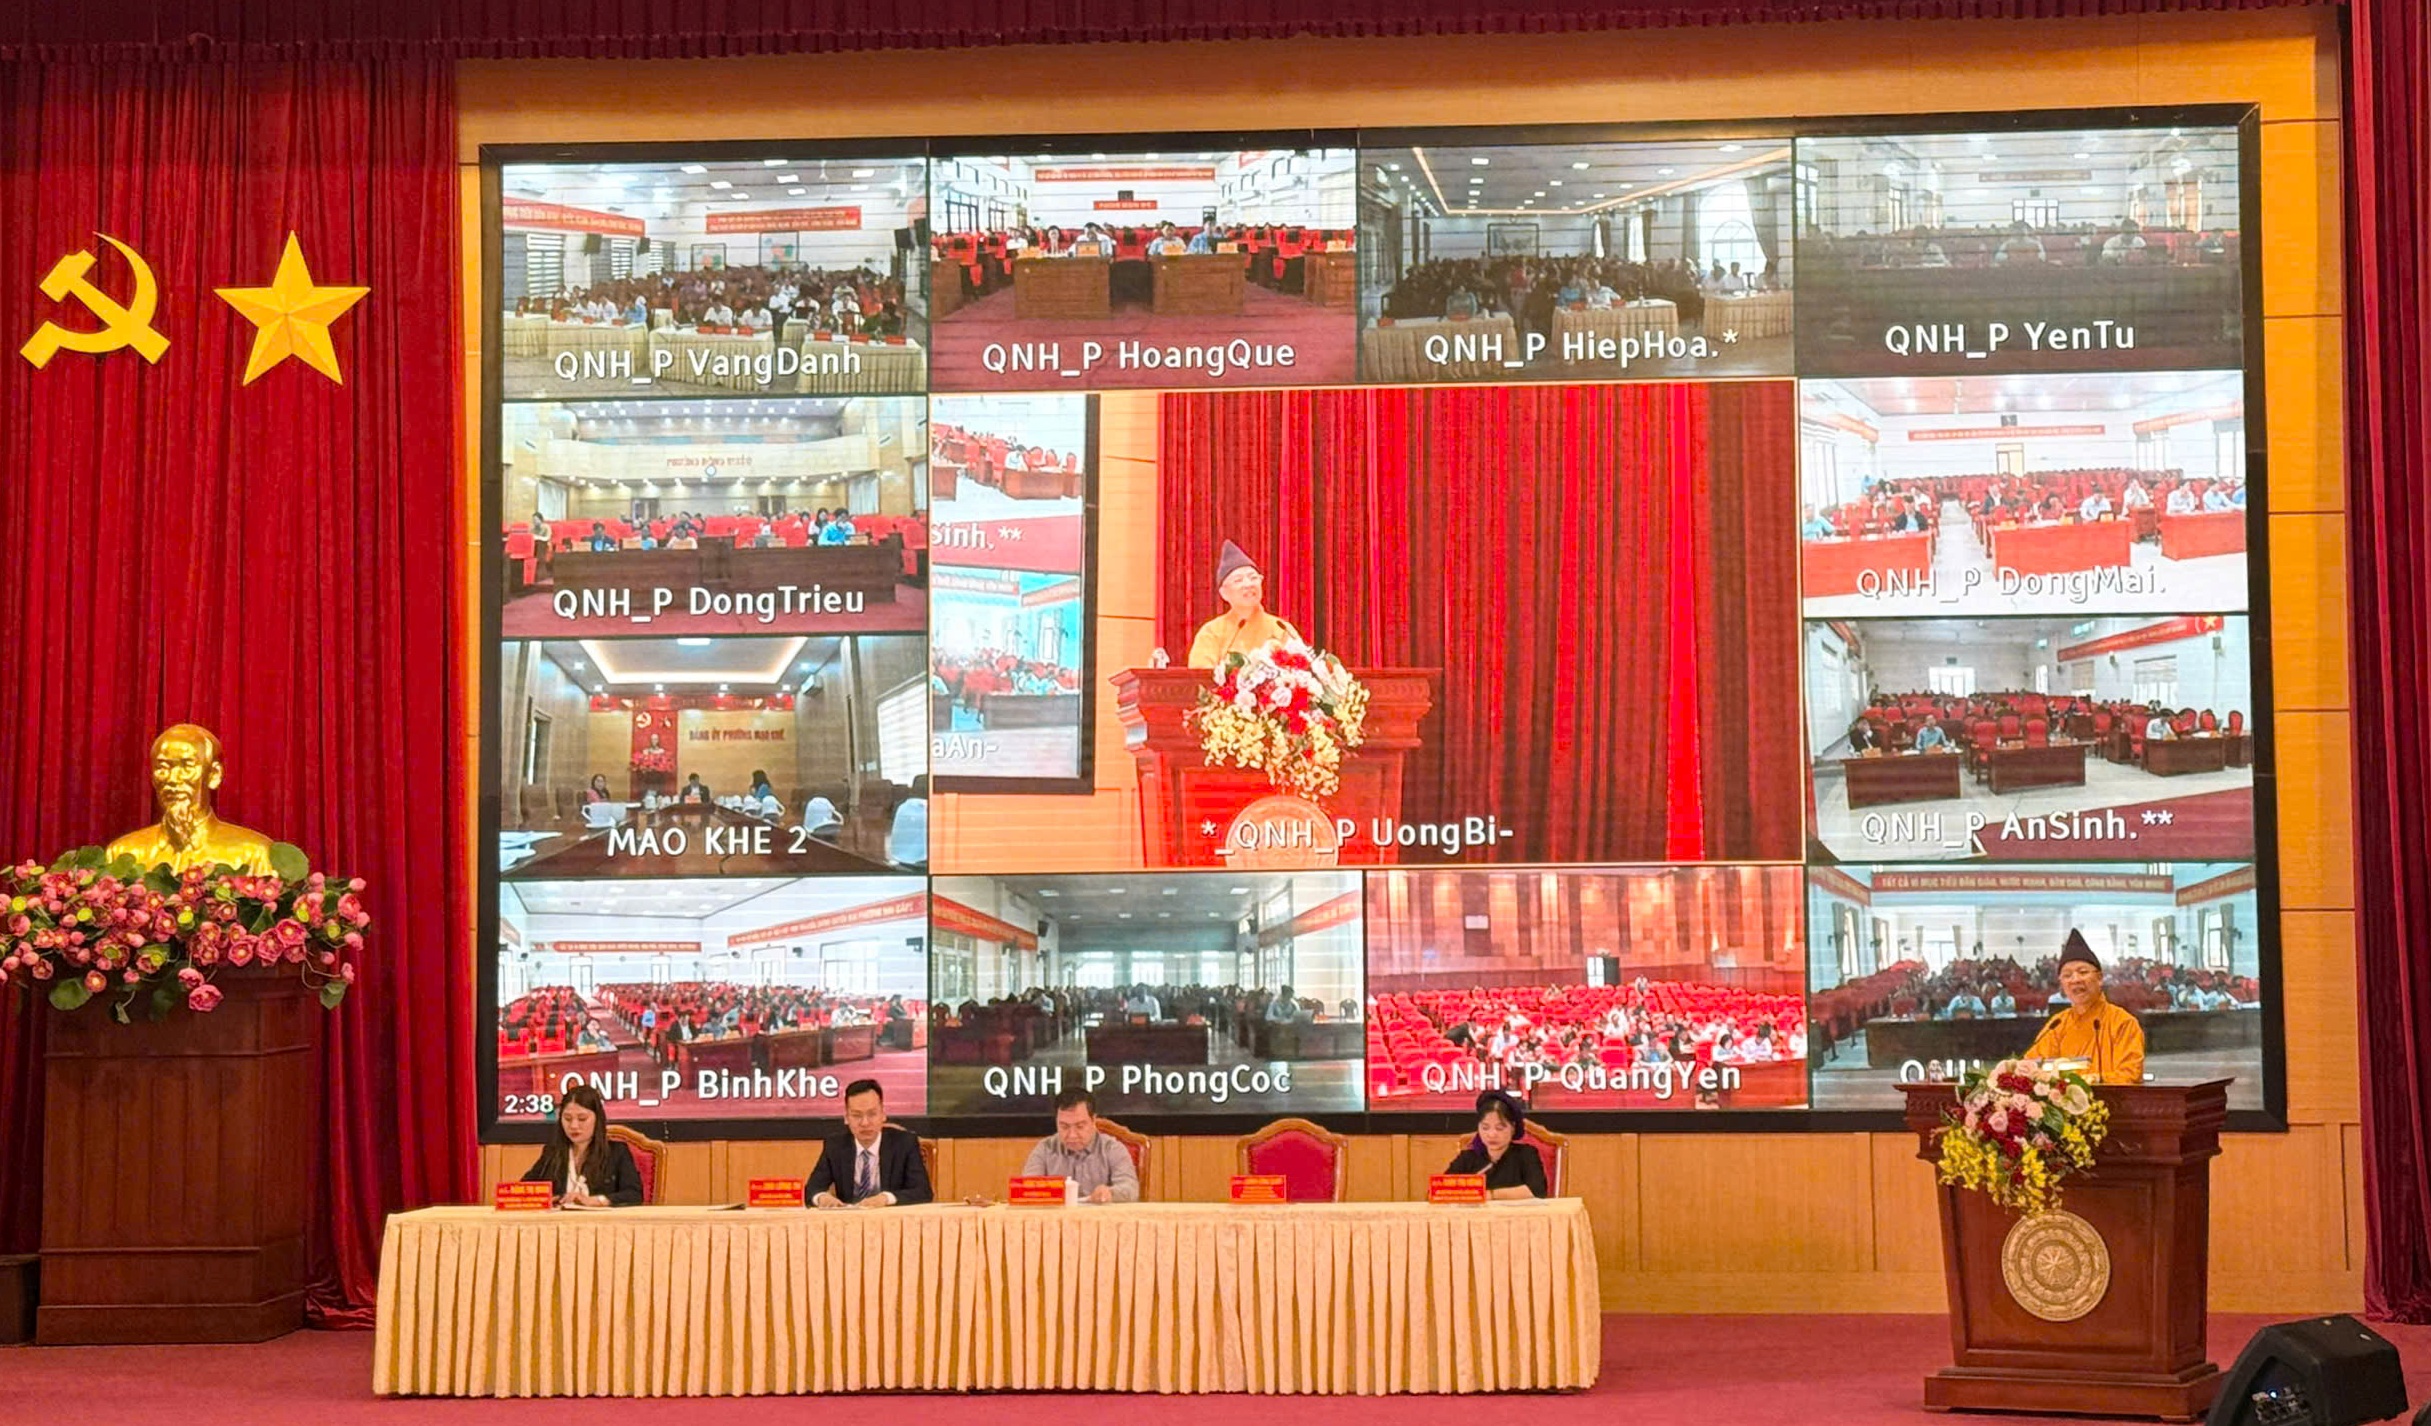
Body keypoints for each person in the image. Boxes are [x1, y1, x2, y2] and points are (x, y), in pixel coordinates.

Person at [2024, 931, 2147, 1084]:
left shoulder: (2122, 1023)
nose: (2075, 980)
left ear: (2100, 978)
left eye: (2082, 972)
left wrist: (2095, 1079)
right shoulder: (2057, 1024)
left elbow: (2131, 1073)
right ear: (2061, 984)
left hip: (2109, 1098)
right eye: (2067, 975)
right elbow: (2031, 1065)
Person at [806, 1080, 933, 1207]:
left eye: (872, 1114)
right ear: (846, 1118)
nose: (865, 1123)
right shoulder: (835, 1146)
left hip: (890, 1217)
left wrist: (886, 1198)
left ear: (883, 1114)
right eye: (857, 1115)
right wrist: (821, 1198)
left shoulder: (904, 1143)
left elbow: (923, 1192)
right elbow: (811, 1190)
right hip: (849, 1217)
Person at [520, 1084, 646, 1207]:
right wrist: (549, 1199)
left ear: (597, 1119)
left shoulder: (617, 1152)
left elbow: (634, 1194)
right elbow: (524, 1189)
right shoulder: (552, 1152)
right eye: (567, 1118)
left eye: (582, 1119)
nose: (574, 1126)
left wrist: (597, 1201)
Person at [1186, 541, 1305, 669]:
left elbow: (1302, 669)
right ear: (1224, 593)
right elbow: (1201, 675)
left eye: (1253, 578)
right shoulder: (1212, 632)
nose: (1248, 584)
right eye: (1238, 580)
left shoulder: (1281, 628)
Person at [1018, 1090, 1141, 1204]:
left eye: (1080, 1126)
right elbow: (1026, 1188)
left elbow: (1131, 1189)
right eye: (1064, 1126)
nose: (1072, 1135)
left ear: (1093, 1121)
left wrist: (1110, 1193)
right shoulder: (1045, 1148)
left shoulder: (1112, 1148)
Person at [1443, 1090, 1549, 1200]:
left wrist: (1489, 1195)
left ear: (1512, 1128)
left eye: (1499, 1128)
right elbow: (1441, 1190)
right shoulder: (1467, 1158)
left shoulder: (1526, 1154)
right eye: (1485, 1128)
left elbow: (1537, 1191)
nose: (1492, 1134)